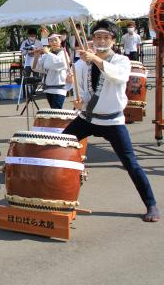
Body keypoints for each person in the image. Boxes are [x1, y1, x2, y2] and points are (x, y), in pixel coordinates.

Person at [62, 19, 159, 222]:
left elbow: (119, 77)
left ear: (113, 40)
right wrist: (75, 91)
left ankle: (151, 204)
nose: (101, 40)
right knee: (60, 149)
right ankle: (57, 196)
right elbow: (72, 84)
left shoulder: (121, 61)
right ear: (92, 39)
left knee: (131, 163)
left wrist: (96, 59)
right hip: (87, 118)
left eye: (106, 37)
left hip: (113, 121)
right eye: (98, 36)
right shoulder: (83, 63)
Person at [32, 33, 68, 109]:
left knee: (56, 111)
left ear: (60, 41)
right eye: (51, 41)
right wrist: (36, 56)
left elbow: (60, 64)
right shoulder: (47, 55)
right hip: (49, 88)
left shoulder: (63, 53)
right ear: (48, 43)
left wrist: (48, 52)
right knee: (53, 111)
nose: (53, 42)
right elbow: (36, 68)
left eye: (55, 40)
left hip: (59, 87)